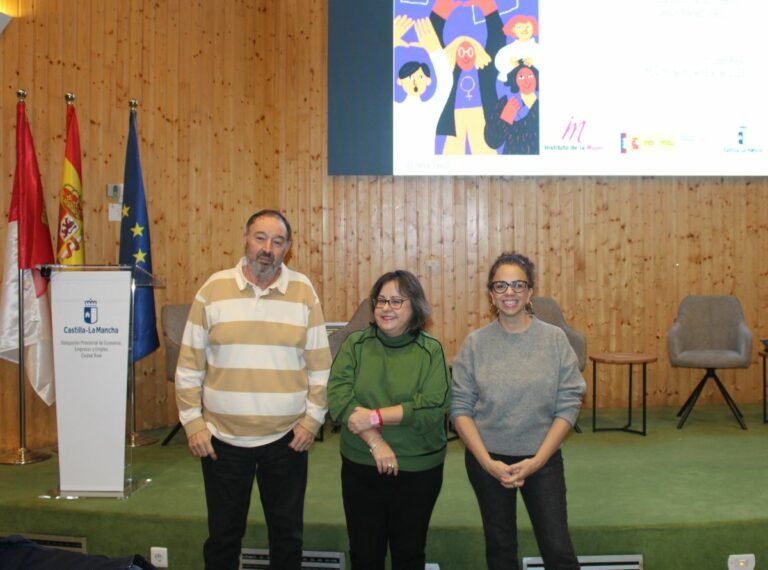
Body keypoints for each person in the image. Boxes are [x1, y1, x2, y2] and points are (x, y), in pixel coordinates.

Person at [175, 209, 331, 570]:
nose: (267, 248)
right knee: (223, 537)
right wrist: (193, 423)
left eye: (278, 242)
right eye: (260, 238)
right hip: (221, 441)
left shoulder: (303, 291)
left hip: (287, 439)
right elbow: (189, 365)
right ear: (245, 239)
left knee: (287, 536)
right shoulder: (212, 290)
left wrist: (312, 420)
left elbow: (320, 365)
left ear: (287, 248)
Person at [450, 252, 585, 570]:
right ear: (491, 294)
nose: (509, 292)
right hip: (487, 461)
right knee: (500, 549)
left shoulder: (554, 340)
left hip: (542, 459)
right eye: (501, 286)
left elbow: (569, 403)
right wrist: (488, 463)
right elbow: (460, 408)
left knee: (557, 548)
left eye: (517, 285)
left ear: (530, 292)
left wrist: (538, 461)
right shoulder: (475, 344)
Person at [327, 270, 450, 570]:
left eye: (397, 301)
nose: (386, 308)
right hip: (362, 466)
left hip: (417, 469)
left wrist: (375, 416)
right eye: (381, 300)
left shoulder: (430, 350)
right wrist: (376, 441)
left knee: (409, 555)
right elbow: (339, 399)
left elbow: (433, 409)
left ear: (415, 306)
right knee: (365, 555)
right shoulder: (355, 345)